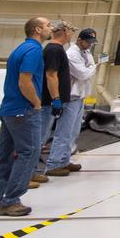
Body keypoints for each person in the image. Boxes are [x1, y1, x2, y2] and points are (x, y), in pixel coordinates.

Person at [0, 17, 51, 217]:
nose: (50, 28)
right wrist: (37, 103)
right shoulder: (34, 51)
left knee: (2, 155)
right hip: (24, 110)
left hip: (9, 109)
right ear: (37, 29)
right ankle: (11, 200)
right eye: (47, 25)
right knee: (29, 152)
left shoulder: (20, 49)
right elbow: (24, 81)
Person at [46, 27, 97, 175]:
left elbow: (88, 69)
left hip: (79, 97)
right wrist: (93, 67)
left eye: (92, 42)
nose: (90, 45)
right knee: (64, 131)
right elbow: (83, 74)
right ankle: (53, 164)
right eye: (88, 42)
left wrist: (90, 68)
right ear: (80, 40)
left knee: (73, 131)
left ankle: (64, 160)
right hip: (70, 97)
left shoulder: (86, 52)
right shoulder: (71, 54)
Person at [34, 20, 74, 180]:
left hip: (54, 100)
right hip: (48, 102)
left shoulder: (56, 49)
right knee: (40, 136)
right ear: (65, 32)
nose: (71, 34)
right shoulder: (54, 50)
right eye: (70, 31)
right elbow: (51, 75)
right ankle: (30, 172)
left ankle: (41, 168)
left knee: (44, 135)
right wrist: (55, 99)